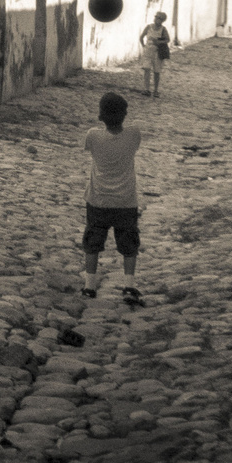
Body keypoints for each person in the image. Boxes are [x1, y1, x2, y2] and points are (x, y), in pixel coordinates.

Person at [81, 91, 144, 304]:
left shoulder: (93, 136)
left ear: (101, 115)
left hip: (98, 200)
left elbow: (89, 148)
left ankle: (89, 287)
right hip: (126, 201)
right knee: (129, 244)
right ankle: (129, 285)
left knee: (92, 242)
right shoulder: (133, 134)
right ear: (124, 115)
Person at [139, 12, 170, 98]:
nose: (157, 19)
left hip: (157, 52)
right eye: (156, 17)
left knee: (157, 71)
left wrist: (158, 42)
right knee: (147, 69)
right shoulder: (149, 27)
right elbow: (141, 37)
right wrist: (144, 46)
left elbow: (167, 39)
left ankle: (156, 90)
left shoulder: (163, 29)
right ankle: (146, 89)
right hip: (148, 52)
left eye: (159, 18)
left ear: (162, 20)